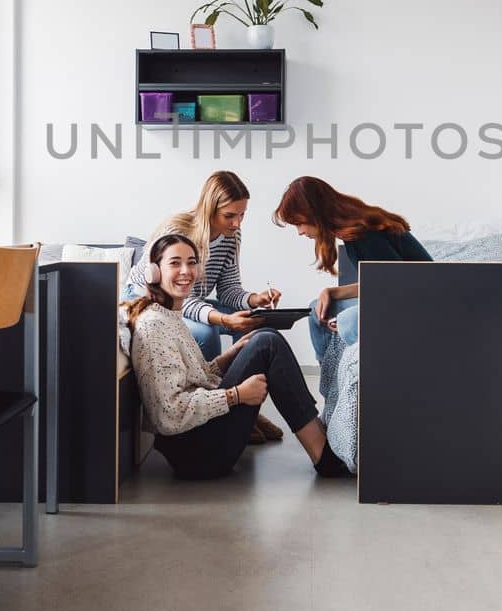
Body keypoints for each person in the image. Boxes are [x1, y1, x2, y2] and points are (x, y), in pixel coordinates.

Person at [124, 233, 351, 480]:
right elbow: (170, 414)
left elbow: (194, 379)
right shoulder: (155, 325)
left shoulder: (168, 315)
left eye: (191, 262)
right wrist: (237, 395)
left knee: (262, 336)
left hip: (198, 440)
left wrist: (229, 356)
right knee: (267, 342)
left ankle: (321, 439)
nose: (186, 270)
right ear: (154, 272)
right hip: (196, 454)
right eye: (175, 263)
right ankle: (324, 455)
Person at [273, 176, 432, 361]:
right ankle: (331, 381)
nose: (300, 231)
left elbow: (396, 287)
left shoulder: (365, 233)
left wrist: (343, 319)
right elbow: (377, 282)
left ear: (314, 213)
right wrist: (332, 292)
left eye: (299, 223)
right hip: (398, 294)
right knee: (316, 308)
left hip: (419, 301)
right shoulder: (351, 233)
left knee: (348, 321)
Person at [125, 171, 280, 361]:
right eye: (229, 216)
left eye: (242, 215)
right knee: (206, 334)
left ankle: (239, 383)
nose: (237, 223)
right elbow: (174, 298)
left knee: (253, 321)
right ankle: (208, 389)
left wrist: (255, 300)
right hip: (151, 299)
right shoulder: (178, 232)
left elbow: (228, 290)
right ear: (209, 209)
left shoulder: (231, 236)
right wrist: (223, 319)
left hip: (187, 300)